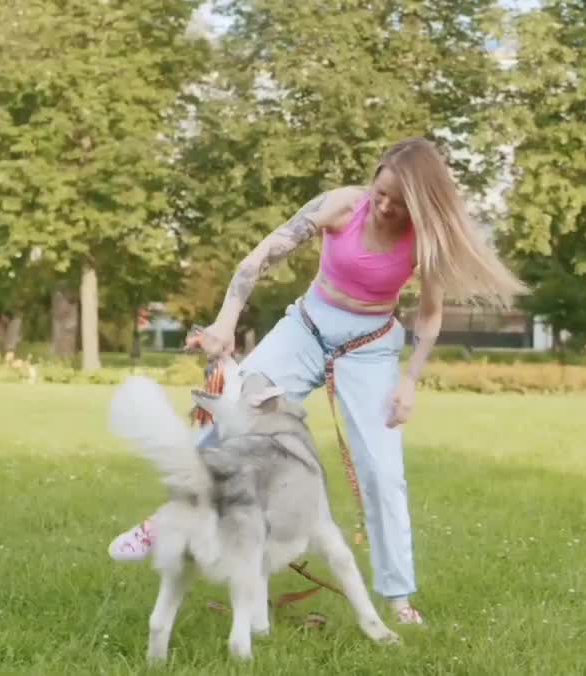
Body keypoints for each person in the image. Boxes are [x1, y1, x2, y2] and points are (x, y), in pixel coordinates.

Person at [107, 136, 527, 626]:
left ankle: (398, 598)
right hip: (306, 326)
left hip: (370, 347)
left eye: (398, 202)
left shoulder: (424, 239)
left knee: (383, 472)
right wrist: (225, 322)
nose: (384, 206)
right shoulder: (341, 206)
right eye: (380, 192)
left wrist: (410, 380)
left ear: (419, 203)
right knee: (229, 412)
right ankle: (165, 523)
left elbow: (430, 317)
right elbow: (257, 259)